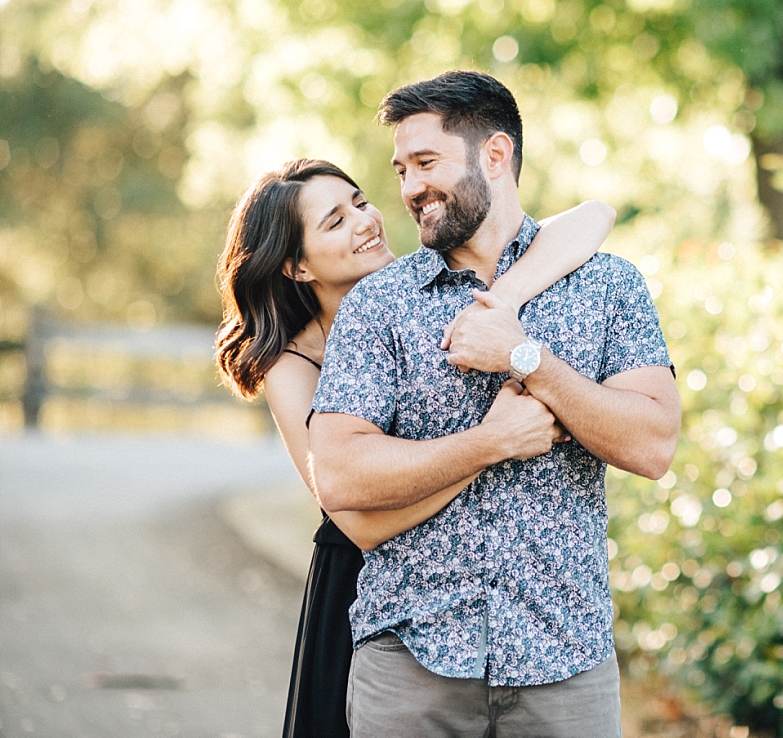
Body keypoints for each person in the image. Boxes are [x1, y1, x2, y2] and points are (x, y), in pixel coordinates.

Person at [307, 70, 681, 737]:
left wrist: (527, 357)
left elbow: (653, 443)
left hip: (566, 665)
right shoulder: (379, 304)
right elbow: (338, 472)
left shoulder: (607, 285)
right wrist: (490, 441)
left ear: (496, 155)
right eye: (400, 169)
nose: (410, 187)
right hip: (410, 668)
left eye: (427, 162)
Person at [214, 157, 616, 738]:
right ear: (296, 266)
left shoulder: (428, 291)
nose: (365, 220)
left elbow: (594, 216)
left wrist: (499, 302)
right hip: (367, 580)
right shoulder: (291, 362)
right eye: (335, 221)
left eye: (359, 201)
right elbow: (360, 521)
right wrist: (494, 444)